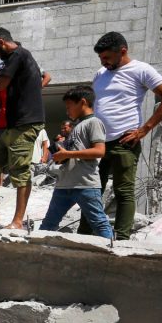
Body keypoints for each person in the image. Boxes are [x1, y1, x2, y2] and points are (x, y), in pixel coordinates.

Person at [81, 31, 162, 240]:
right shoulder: (100, 74)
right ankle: (84, 235)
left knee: (123, 191)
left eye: (107, 57)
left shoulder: (141, 70)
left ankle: (121, 239)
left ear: (122, 51)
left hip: (123, 142)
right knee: (91, 191)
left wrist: (144, 129)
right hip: (97, 142)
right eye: (100, 58)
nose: (103, 62)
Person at [0, 28, 46, 230]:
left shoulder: (17, 55)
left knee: (20, 171)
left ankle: (17, 222)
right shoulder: (20, 56)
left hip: (25, 123)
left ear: (2, 42)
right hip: (13, 125)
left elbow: (1, 84)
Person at [41, 86, 113, 239]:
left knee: (99, 223)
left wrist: (67, 154)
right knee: (48, 224)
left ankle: (115, 251)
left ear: (83, 102)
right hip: (64, 184)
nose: (67, 111)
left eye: (69, 106)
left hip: (85, 184)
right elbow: (75, 153)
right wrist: (62, 156)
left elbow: (99, 151)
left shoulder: (94, 122)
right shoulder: (77, 127)